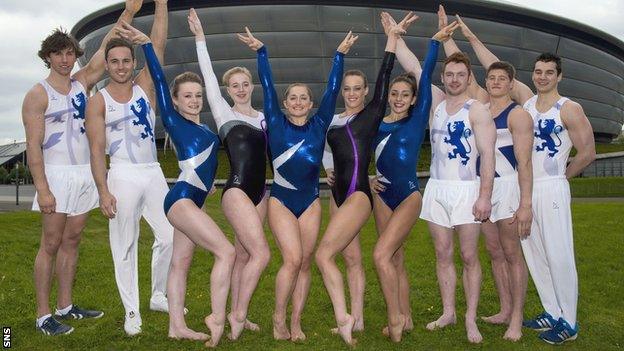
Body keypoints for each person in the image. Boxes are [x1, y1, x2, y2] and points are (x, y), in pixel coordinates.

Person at [446, 13, 596, 344]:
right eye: (539, 72)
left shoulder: (568, 108)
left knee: (558, 253)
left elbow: (588, 153)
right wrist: (468, 37)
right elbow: (494, 67)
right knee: (534, 253)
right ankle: (552, 311)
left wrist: (562, 178)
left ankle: (568, 321)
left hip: (551, 186)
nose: (543, 77)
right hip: (521, 186)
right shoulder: (526, 102)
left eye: (549, 73)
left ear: (560, 76)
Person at [22, 0, 142, 336]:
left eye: (69, 53)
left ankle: (65, 306)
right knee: (51, 243)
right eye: (58, 54)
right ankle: (43, 315)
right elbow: (33, 146)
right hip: (56, 177)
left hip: (86, 175)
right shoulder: (37, 94)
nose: (64, 59)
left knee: (72, 240)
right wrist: (43, 188)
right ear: (48, 57)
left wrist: (129, 12)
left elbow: (107, 48)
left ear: (75, 56)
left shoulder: (82, 83)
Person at [116, 18, 236, 346]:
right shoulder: (174, 121)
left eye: (198, 95)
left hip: (192, 197)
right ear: (177, 100)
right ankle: (216, 317)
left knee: (180, 264)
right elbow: (157, 76)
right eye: (188, 96)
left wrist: (206, 184)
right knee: (226, 252)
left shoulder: (208, 131)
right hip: (180, 200)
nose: (195, 100)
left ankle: (176, 326)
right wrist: (145, 44)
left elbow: (202, 166)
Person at [238, 27, 356, 341]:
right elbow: (266, 84)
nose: (299, 101)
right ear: (286, 103)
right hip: (282, 201)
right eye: (293, 98)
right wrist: (261, 52)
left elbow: (333, 91)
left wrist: (339, 55)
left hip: (310, 201)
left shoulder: (319, 124)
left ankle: (295, 321)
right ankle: (278, 318)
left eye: (304, 98)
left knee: (305, 262)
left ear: (310, 103)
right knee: (291, 259)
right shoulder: (275, 122)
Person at [436, 9, 534, 341]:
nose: (494, 83)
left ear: (511, 84)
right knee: (493, 252)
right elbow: (458, 71)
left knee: (511, 252)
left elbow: (524, 163)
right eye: (490, 78)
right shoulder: (478, 105)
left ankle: (518, 317)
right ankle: (505, 309)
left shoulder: (517, 113)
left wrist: (525, 203)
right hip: (482, 188)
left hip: (507, 188)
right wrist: (449, 38)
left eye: (501, 79)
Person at [319, 12, 418, 339]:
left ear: (364, 92)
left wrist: (392, 37)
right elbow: (323, 147)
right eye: (346, 88)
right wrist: (328, 169)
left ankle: (351, 317)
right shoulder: (332, 120)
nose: (351, 93)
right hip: (336, 194)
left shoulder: (373, 114)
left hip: (359, 194)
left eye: (357, 88)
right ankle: (357, 318)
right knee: (349, 258)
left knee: (330, 255)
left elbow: (386, 74)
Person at [85, 0, 173, 336]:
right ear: (106, 65)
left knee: (170, 234)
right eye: (115, 61)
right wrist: (103, 190)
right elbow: (96, 151)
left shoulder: (144, 87)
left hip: (152, 171)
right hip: (121, 174)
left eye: (126, 61)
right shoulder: (98, 101)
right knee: (124, 244)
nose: (121, 66)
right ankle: (132, 310)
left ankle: (158, 294)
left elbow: (158, 43)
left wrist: (161, 4)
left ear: (134, 62)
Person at [369, 14, 458, 342]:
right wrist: (367, 178)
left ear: (413, 98)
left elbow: (427, 72)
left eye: (405, 94)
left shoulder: (417, 117)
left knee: (379, 255)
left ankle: (394, 317)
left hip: (407, 195)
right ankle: (404, 318)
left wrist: (435, 42)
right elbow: (362, 152)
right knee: (394, 257)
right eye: (395, 93)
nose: (398, 98)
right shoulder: (377, 118)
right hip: (382, 194)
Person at [189, 8, 268, 339]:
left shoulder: (264, 116)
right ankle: (233, 315)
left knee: (244, 254)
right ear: (228, 89)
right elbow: (207, 77)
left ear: (252, 85)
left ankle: (241, 314)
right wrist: (200, 39)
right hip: (236, 191)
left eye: (244, 83)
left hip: (261, 192)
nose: (240, 88)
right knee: (262, 254)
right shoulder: (224, 113)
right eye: (233, 85)